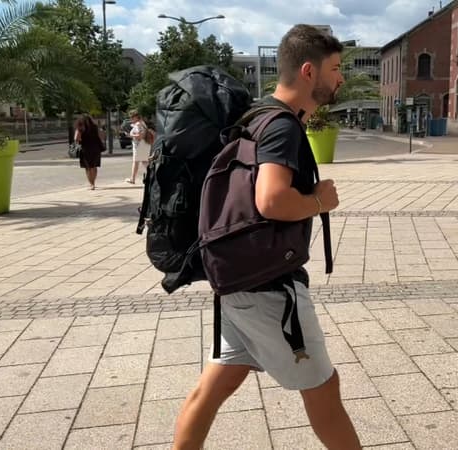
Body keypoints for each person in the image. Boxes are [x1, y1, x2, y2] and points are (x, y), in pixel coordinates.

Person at [172, 25, 360, 450]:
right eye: (336, 68)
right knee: (325, 390)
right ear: (309, 71)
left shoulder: (256, 116)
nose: (342, 78)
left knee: (213, 388)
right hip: (268, 290)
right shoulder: (282, 127)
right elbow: (271, 200)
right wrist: (318, 201)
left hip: (237, 282)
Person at [74, 114, 104, 190]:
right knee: (94, 166)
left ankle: (91, 184)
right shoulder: (95, 127)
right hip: (96, 148)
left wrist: (81, 140)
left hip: (85, 148)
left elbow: (76, 138)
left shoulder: (80, 128)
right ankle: (93, 183)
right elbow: (101, 136)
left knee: (88, 167)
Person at [126, 110, 151, 184]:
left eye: (132, 117)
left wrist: (130, 135)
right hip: (144, 144)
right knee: (144, 161)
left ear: (136, 117)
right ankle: (153, 175)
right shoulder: (142, 123)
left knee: (136, 162)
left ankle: (132, 179)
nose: (131, 119)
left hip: (139, 145)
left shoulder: (138, 124)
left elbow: (140, 136)